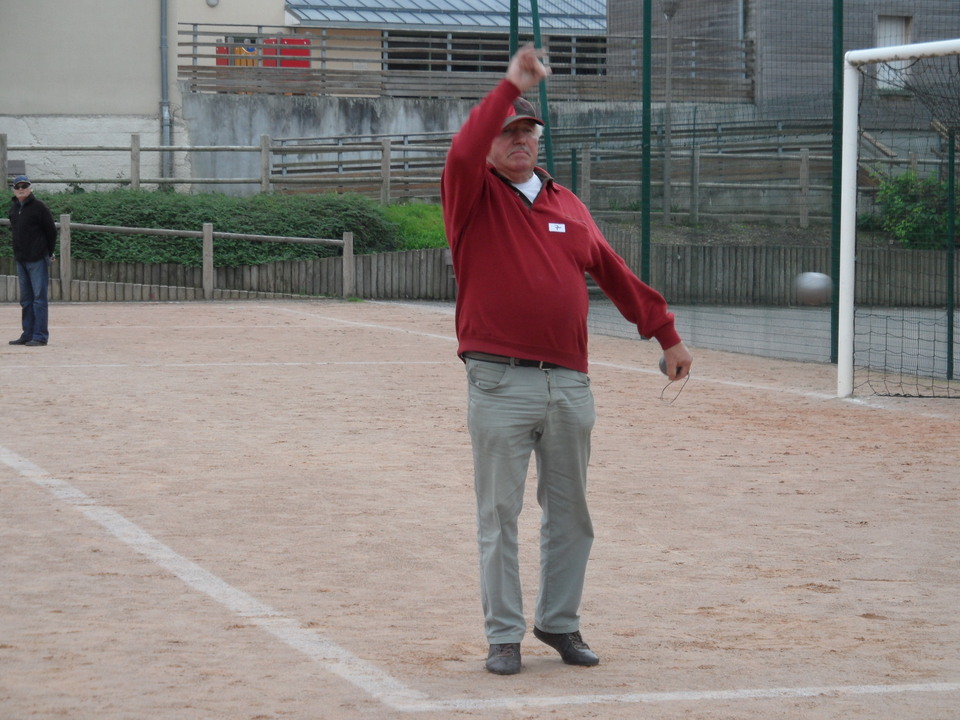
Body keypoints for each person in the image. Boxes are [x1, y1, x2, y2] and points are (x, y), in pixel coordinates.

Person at [441, 45, 693, 676]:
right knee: (500, 515)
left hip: (570, 384)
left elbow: (613, 270)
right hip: (499, 380)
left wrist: (664, 332)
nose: (519, 139)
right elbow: (465, 149)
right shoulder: (470, 194)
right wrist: (509, 87)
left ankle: (560, 624)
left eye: (527, 130)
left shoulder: (567, 203)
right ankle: (503, 636)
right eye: (508, 131)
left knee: (571, 515)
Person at [7, 175, 57, 346]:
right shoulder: (13, 209)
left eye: (24, 186)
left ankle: (40, 336)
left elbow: (51, 231)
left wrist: (49, 253)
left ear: (30, 188)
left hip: (37, 258)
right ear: (13, 189)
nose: (21, 189)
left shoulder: (39, 207)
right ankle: (27, 334)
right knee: (26, 299)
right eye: (18, 186)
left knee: (39, 298)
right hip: (21, 259)